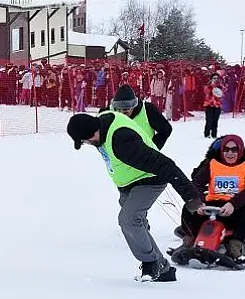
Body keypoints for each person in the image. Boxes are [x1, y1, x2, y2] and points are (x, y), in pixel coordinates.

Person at [66, 110, 204, 282]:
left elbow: (167, 165)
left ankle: (150, 262)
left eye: (85, 141)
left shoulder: (123, 142)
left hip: (149, 180)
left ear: (91, 134)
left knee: (129, 219)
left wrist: (192, 198)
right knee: (137, 224)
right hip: (128, 184)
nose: (87, 144)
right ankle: (163, 269)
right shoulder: (103, 122)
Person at [177, 135, 245, 261]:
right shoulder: (212, 164)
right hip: (212, 204)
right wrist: (199, 202)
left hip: (235, 208)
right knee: (188, 207)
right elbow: (197, 183)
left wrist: (233, 204)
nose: (230, 153)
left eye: (234, 150)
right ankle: (190, 240)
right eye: (227, 149)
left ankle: (235, 246)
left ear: (240, 150)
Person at [100, 84, 172, 149]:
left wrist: (152, 149)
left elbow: (166, 129)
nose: (121, 113)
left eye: (126, 110)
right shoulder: (107, 113)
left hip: (143, 158)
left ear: (134, 106)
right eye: (118, 110)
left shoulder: (148, 110)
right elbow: (96, 135)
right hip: (118, 160)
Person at [203, 73, 224, 138]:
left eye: (217, 78)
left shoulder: (220, 86)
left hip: (217, 106)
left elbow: (223, 92)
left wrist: (220, 86)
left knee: (215, 121)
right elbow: (206, 91)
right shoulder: (208, 86)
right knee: (209, 120)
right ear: (211, 79)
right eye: (214, 78)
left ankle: (214, 134)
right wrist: (212, 85)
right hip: (209, 105)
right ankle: (207, 134)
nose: (216, 79)